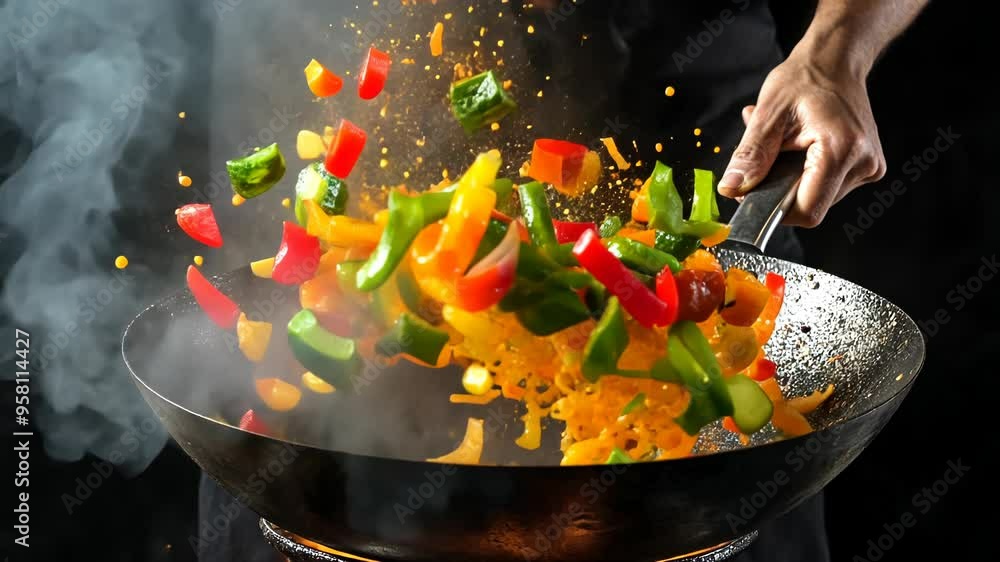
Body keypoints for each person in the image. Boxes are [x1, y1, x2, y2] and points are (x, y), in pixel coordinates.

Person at [198, 1, 928, 560]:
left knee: (717, 480)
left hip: (689, 102)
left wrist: (834, 56)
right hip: (336, 97)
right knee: (299, 461)